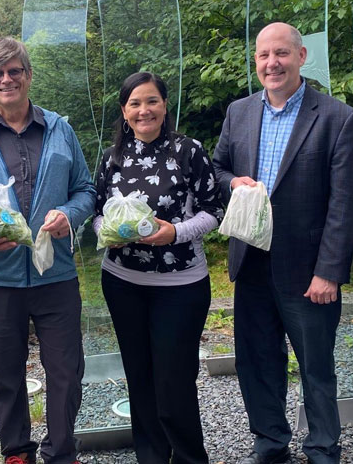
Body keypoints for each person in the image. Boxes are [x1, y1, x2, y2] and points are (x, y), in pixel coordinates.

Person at [212, 22, 353, 464]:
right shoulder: (239, 113)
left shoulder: (338, 118)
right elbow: (217, 168)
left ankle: (322, 447)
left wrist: (330, 272)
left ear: (301, 57)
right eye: (263, 55)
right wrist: (232, 182)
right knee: (257, 362)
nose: (271, 63)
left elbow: (346, 202)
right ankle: (270, 442)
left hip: (308, 272)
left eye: (281, 53)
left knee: (315, 367)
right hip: (253, 264)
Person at [0, 37, 95, 464]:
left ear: (28, 76)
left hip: (56, 276)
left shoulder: (59, 129)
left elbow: (84, 189)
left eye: (14, 70)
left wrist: (70, 214)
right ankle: (17, 453)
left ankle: (61, 452)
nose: (6, 79)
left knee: (66, 372)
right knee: (7, 376)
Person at [92, 72, 222, 463]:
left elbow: (214, 211)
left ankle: (188, 458)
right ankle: (150, 456)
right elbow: (98, 214)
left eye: (151, 101)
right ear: (124, 110)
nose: (143, 110)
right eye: (135, 103)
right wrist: (110, 232)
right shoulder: (113, 157)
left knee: (174, 381)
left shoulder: (188, 151)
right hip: (122, 282)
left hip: (180, 285)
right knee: (140, 376)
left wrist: (176, 233)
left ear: (165, 106)